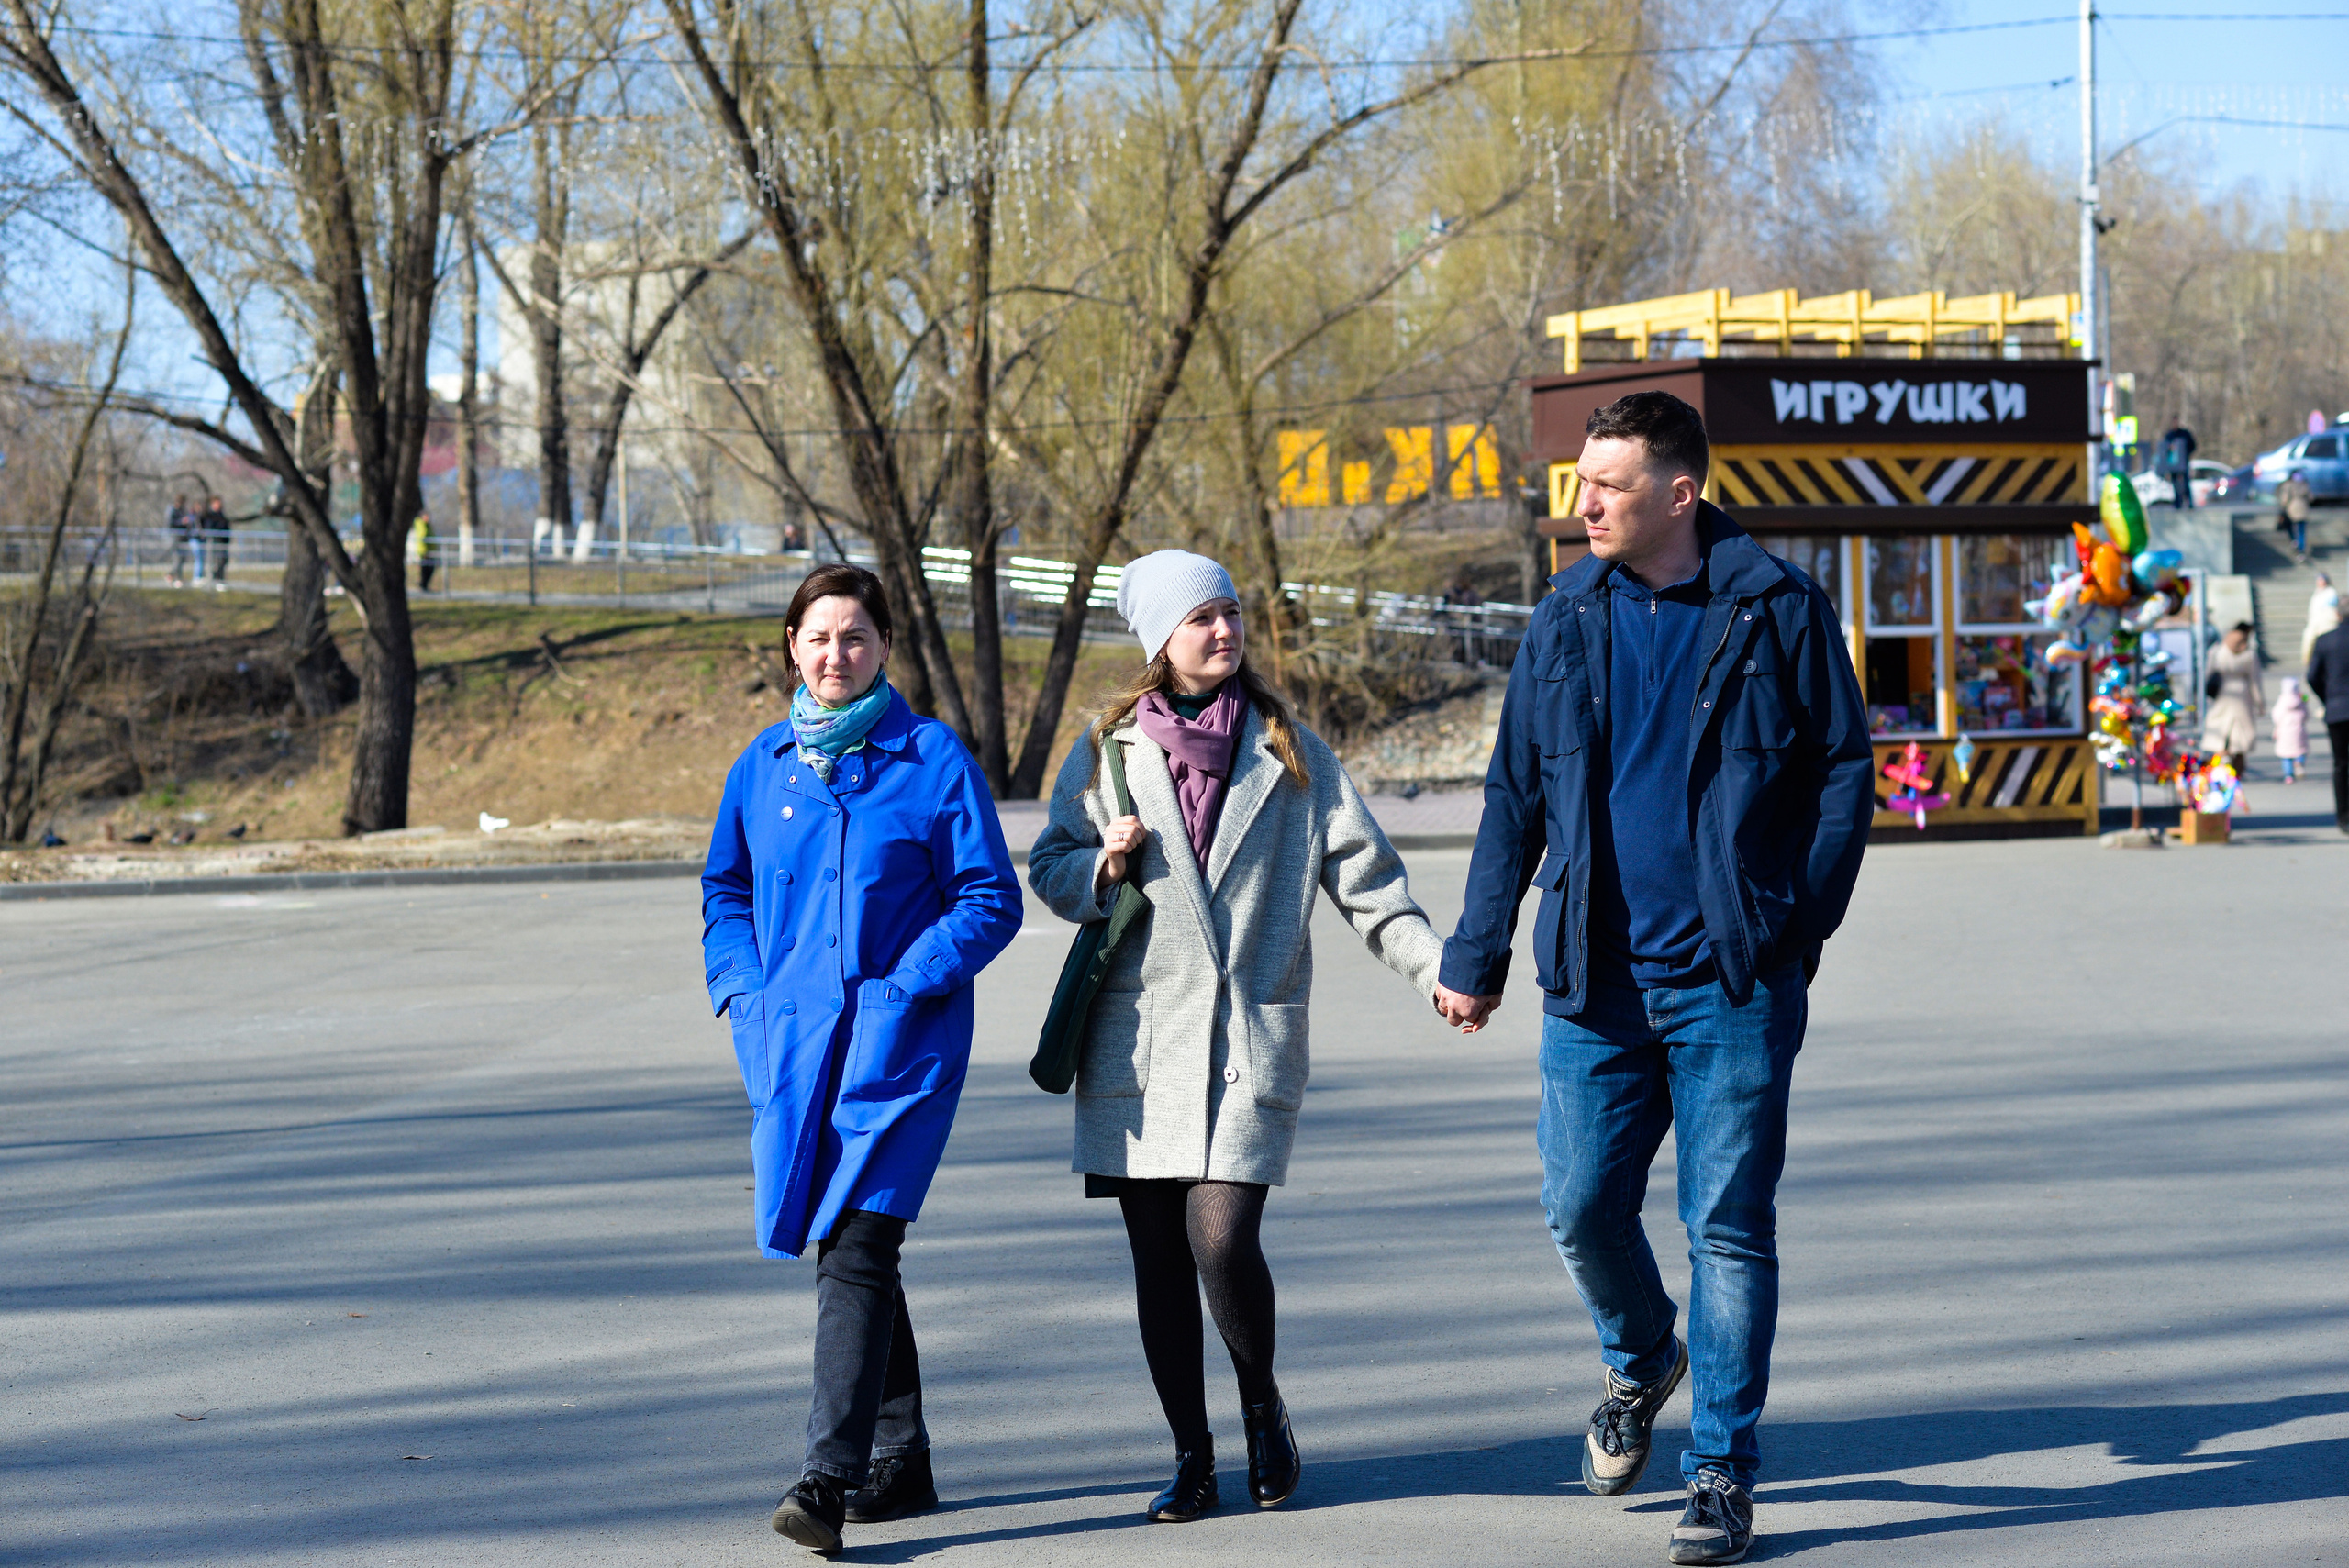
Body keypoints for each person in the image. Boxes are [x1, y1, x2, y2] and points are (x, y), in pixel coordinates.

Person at [1433, 391, 1873, 1566]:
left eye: (1608, 485)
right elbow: (1514, 793)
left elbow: (1843, 772)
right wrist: (1475, 953)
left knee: (1726, 1225)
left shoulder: (1778, 608)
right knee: (1579, 1202)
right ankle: (1642, 1359)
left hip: (1732, 979)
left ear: (1678, 493)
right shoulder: (1564, 615)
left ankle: (1720, 1470)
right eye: (1581, 482)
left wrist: (1793, 926)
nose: (1583, 504)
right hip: (1594, 979)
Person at [1029, 550, 1451, 1526]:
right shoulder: (1105, 749)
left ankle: (1261, 1401)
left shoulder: (1290, 750)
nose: (1224, 630)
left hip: (1246, 1039)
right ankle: (1191, 1454)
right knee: (1158, 1263)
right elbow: (1049, 866)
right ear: (1160, 639)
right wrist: (1100, 866)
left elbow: (1369, 881)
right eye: (1201, 616)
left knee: (1220, 1239)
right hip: (1135, 1043)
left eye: (1230, 611)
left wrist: (1435, 969)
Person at [700, 563, 1022, 1553]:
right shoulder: (762, 765)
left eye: (855, 636)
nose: (835, 654)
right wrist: (741, 989)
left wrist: (907, 980)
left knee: (858, 1245)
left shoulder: (932, 758)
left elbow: (990, 896)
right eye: (818, 636)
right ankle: (901, 1451)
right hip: (795, 1046)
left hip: (900, 1045)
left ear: (885, 645)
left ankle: (826, 1479)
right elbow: (726, 891)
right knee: (845, 1241)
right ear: (791, 647)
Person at [2201, 621, 2264, 780]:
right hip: (2242, 695)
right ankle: (2237, 771)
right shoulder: (2249, 654)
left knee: (2220, 731)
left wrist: (2204, 694)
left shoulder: (2218, 651)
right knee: (2240, 735)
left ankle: (2220, 767)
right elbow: (2255, 680)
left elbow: (2208, 673)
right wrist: (2260, 703)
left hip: (2223, 693)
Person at [2305, 616, 2349, 832]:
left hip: (2337, 710)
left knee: (2341, 764)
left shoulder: (2325, 640)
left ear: (2338, 615)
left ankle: (2344, 817)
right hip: (2337, 707)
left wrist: (2328, 699)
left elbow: (2312, 676)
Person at [2271, 676, 2310, 784]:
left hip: (2284, 733)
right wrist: (2305, 700)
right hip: (2299, 731)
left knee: (2286, 756)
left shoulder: (2282, 700)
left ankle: (2288, 776)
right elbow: (2306, 714)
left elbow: (2276, 715)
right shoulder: (2300, 699)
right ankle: (2299, 762)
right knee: (2300, 750)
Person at [2300, 573, 2339, 668]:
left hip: (2326, 624)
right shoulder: (2317, 593)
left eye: (2322, 580)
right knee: (2308, 641)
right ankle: (2308, 664)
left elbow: (2330, 608)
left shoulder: (2331, 592)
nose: (2320, 582)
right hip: (2314, 623)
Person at [2156, 419, 2197, 509]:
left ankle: (2189, 502)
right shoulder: (2169, 435)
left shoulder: (2184, 434)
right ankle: (2178, 502)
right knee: (2175, 484)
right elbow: (2164, 449)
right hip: (2173, 464)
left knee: (2185, 483)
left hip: (2183, 462)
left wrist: (2185, 454)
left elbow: (2192, 445)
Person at [2278, 470, 2314, 563]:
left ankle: (2294, 541)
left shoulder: (2288, 485)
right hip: (2303, 509)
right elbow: (2311, 498)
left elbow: (2284, 499)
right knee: (2301, 531)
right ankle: (2301, 551)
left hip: (2292, 509)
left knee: (2290, 527)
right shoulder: (2305, 485)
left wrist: (2283, 507)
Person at [197, 495, 232, 589]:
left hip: (222, 542)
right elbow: (206, 525)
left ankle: (219, 579)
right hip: (213, 541)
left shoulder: (222, 514)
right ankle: (211, 580)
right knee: (212, 561)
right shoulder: (209, 515)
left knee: (223, 561)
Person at [165, 494, 195, 587]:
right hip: (174, 537)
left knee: (182, 558)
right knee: (177, 557)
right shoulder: (172, 510)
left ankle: (175, 577)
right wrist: (181, 521)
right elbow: (170, 523)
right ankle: (173, 577)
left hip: (183, 538)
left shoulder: (182, 510)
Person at [410, 510, 436, 592]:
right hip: (423, 551)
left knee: (430, 568)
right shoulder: (421, 525)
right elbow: (422, 537)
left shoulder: (427, 525)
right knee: (425, 569)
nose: (428, 518)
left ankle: (424, 585)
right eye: (426, 516)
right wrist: (422, 552)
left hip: (429, 551)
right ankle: (422, 585)